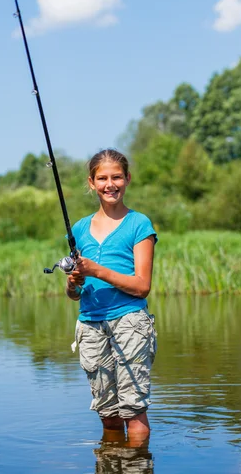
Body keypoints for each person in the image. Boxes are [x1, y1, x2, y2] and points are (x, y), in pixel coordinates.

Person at [66, 148, 157, 442]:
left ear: (127, 179)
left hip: (130, 321)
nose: (110, 184)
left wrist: (96, 270)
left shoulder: (139, 224)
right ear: (91, 183)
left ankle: (137, 464)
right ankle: (112, 462)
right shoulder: (79, 229)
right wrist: (73, 283)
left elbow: (142, 286)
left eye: (116, 177)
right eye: (102, 178)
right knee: (108, 412)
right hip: (91, 325)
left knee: (133, 410)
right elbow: (74, 293)